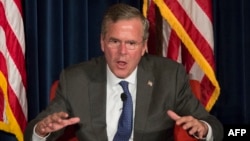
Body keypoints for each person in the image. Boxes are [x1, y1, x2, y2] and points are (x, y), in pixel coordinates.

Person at [24, 3, 223, 141]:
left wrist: (203, 129)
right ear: (102, 42)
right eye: (114, 41)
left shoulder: (169, 76)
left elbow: (215, 127)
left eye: (131, 43)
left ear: (144, 46)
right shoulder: (75, 79)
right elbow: (35, 130)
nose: (122, 52)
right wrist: (41, 131)